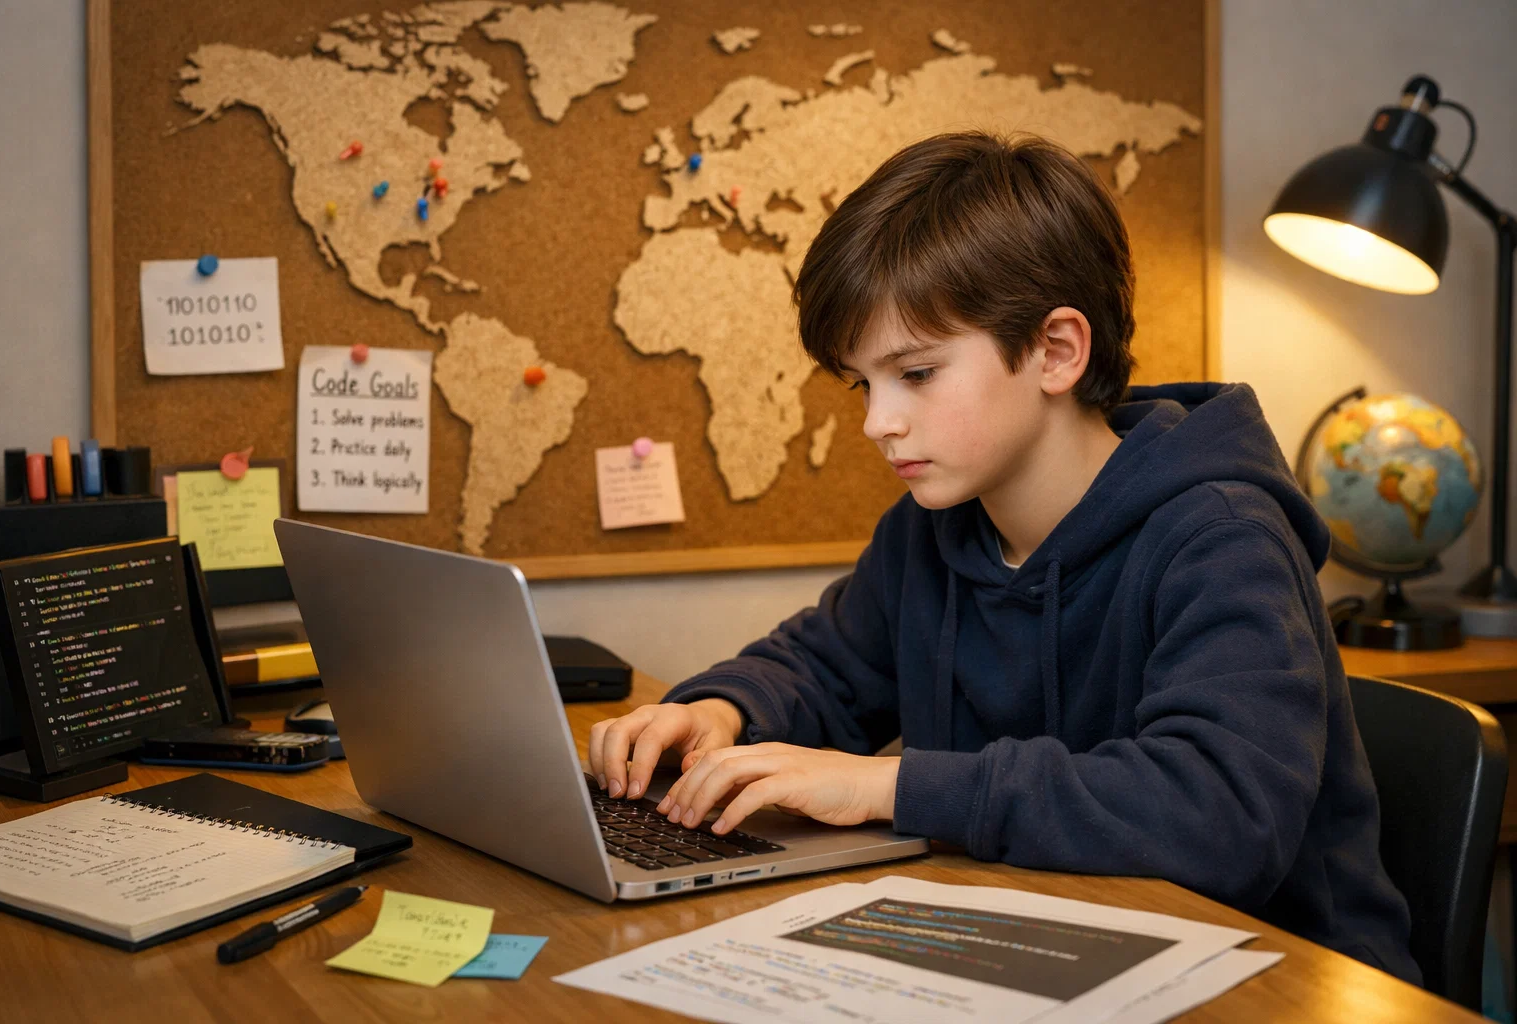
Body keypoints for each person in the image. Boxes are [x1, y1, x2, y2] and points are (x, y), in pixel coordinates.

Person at [587, 131, 1419, 981]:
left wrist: (888, 788)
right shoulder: (933, 527)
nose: (878, 422)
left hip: (1282, 979)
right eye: (862, 384)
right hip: (1039, 952)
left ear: (1057, 351)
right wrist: (724, 709)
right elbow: (827, 665)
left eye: (916, 373)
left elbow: (1220, 816)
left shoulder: (1221, 535)